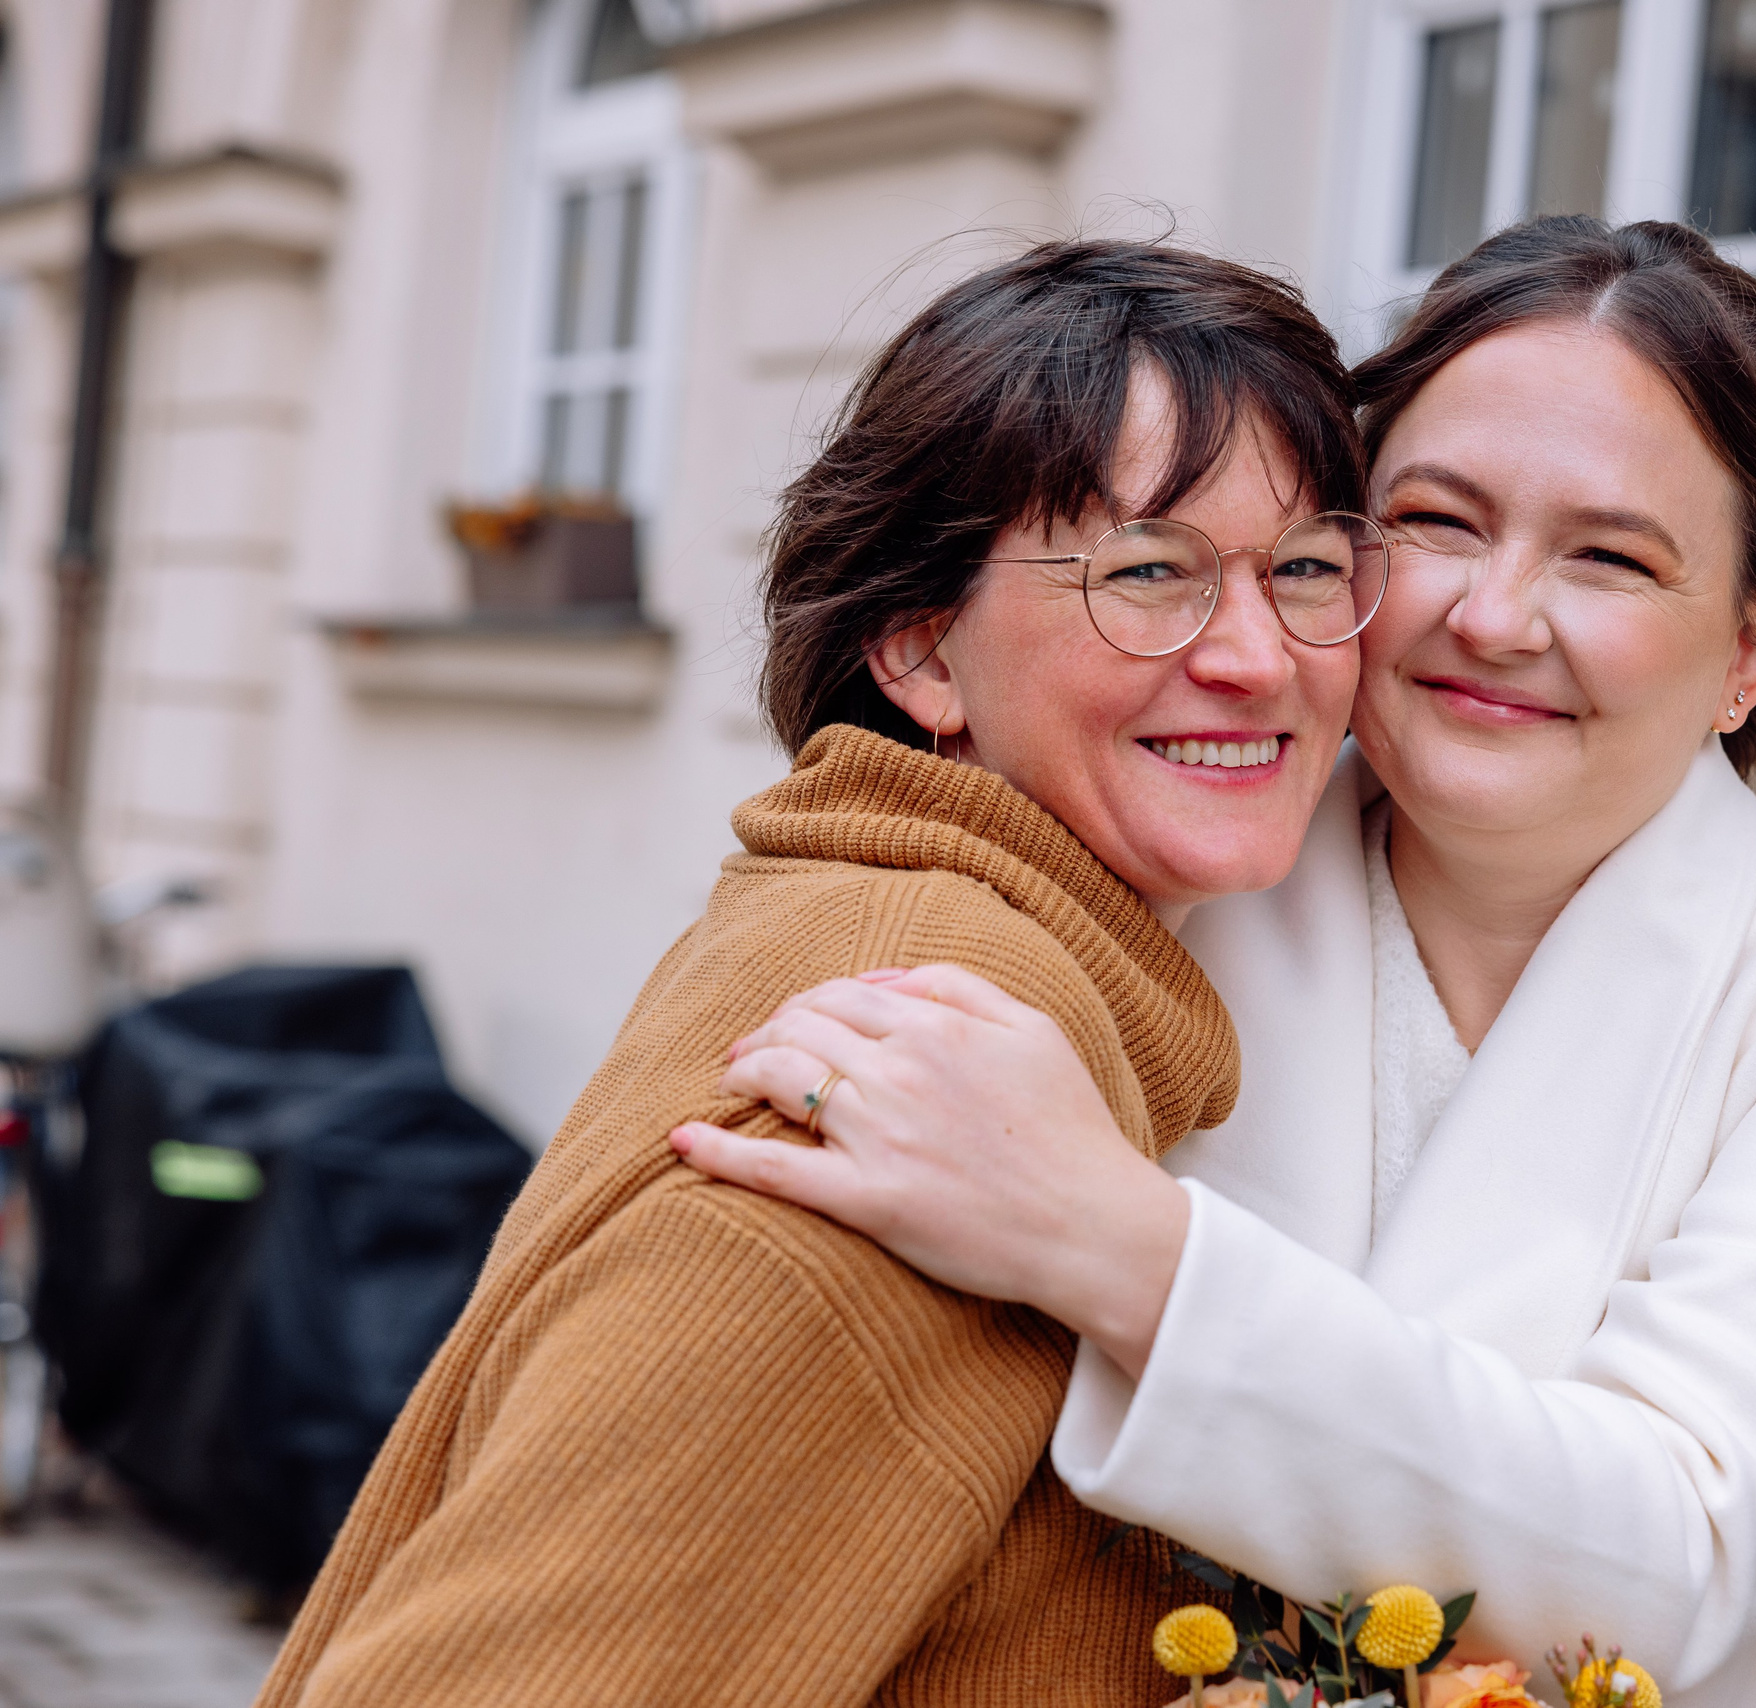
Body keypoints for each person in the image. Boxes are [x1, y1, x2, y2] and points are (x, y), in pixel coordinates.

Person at [674, 218, 1756, 1707]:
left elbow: (1667, 1556)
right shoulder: (1163, 887)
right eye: (1437, 523)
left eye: (1609, 556)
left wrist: (1105, 1236)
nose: (1494, 618)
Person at [254, 239, 1383, 1707]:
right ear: (919, 651)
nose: (1256, 654)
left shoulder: (926, 944)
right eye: (1150, 573)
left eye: (1305, 569)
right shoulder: (925, 1039)